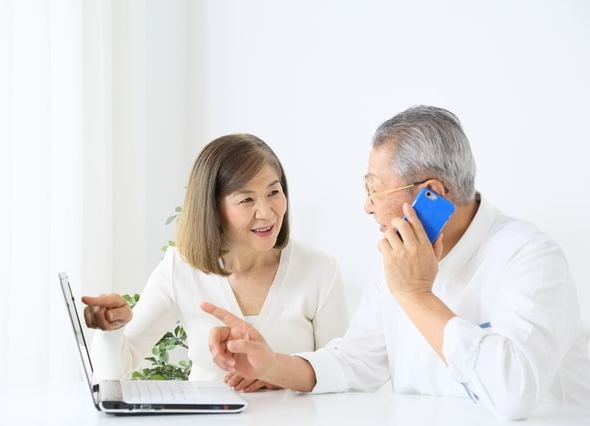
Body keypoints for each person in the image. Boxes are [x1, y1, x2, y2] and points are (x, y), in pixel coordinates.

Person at [202, 105, 590, 419]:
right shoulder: (399, 254)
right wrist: (273, 366)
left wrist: (416, 295)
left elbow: (514, 393)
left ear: (431, 194)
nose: (367, 206)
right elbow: (356, 361)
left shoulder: (532, 258)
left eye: (375, 189)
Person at [82, 133, 349, 392]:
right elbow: (111, 377)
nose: (267, 212)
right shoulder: (179, 268)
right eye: (247, 199)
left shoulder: (319, 269)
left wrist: (280, 372)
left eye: (273, 192)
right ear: (213, 209)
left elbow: (343, 371)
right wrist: (111, 330)